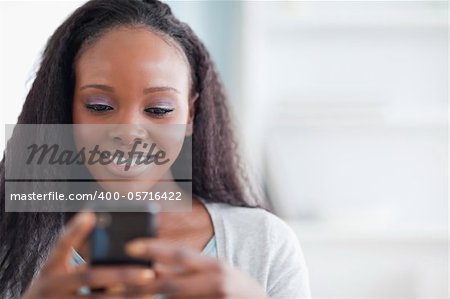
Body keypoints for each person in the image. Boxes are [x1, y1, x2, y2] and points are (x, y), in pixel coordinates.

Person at [0, 0, 310, 298]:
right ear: (66, 110)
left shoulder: (264, 242)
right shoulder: (12, 242)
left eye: (159, 109)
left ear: (191, 114)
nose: (128, 131)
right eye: (99, 106)